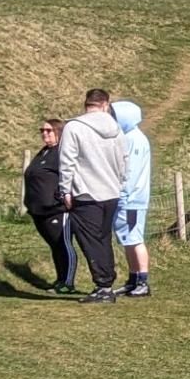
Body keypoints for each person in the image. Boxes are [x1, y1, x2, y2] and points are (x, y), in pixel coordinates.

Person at [57, 88, 127, 303]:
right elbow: (123, 159)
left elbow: (66, 160)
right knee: (103, 238)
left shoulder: (74, 127)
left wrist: (65, 189)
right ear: (105, 104)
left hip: (86, 192)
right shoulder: (116, 128)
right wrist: (121, 182)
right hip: (111, 191)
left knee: (90, 240)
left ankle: (103, 285)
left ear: (86, 104)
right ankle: (106, 282)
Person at [23, 118, 79, 293]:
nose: (44, 133)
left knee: (63, 244)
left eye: (49, 130)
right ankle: (59, 280)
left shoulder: (62, 152)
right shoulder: (44, 152)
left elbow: (72, 175)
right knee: (55, 246)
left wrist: (63, 197)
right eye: (42, 130)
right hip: (39, 210)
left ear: (59, 132)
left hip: (57, 209)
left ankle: (68, 283)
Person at [111, 100, 153, 298]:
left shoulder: (135, 140)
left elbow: (131, 172)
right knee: (127, 240)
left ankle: (143, 281)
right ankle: (133, 279)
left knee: (135, 239)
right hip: (127, 199)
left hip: (132, 200)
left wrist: (124, 195)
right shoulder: (128, 137)